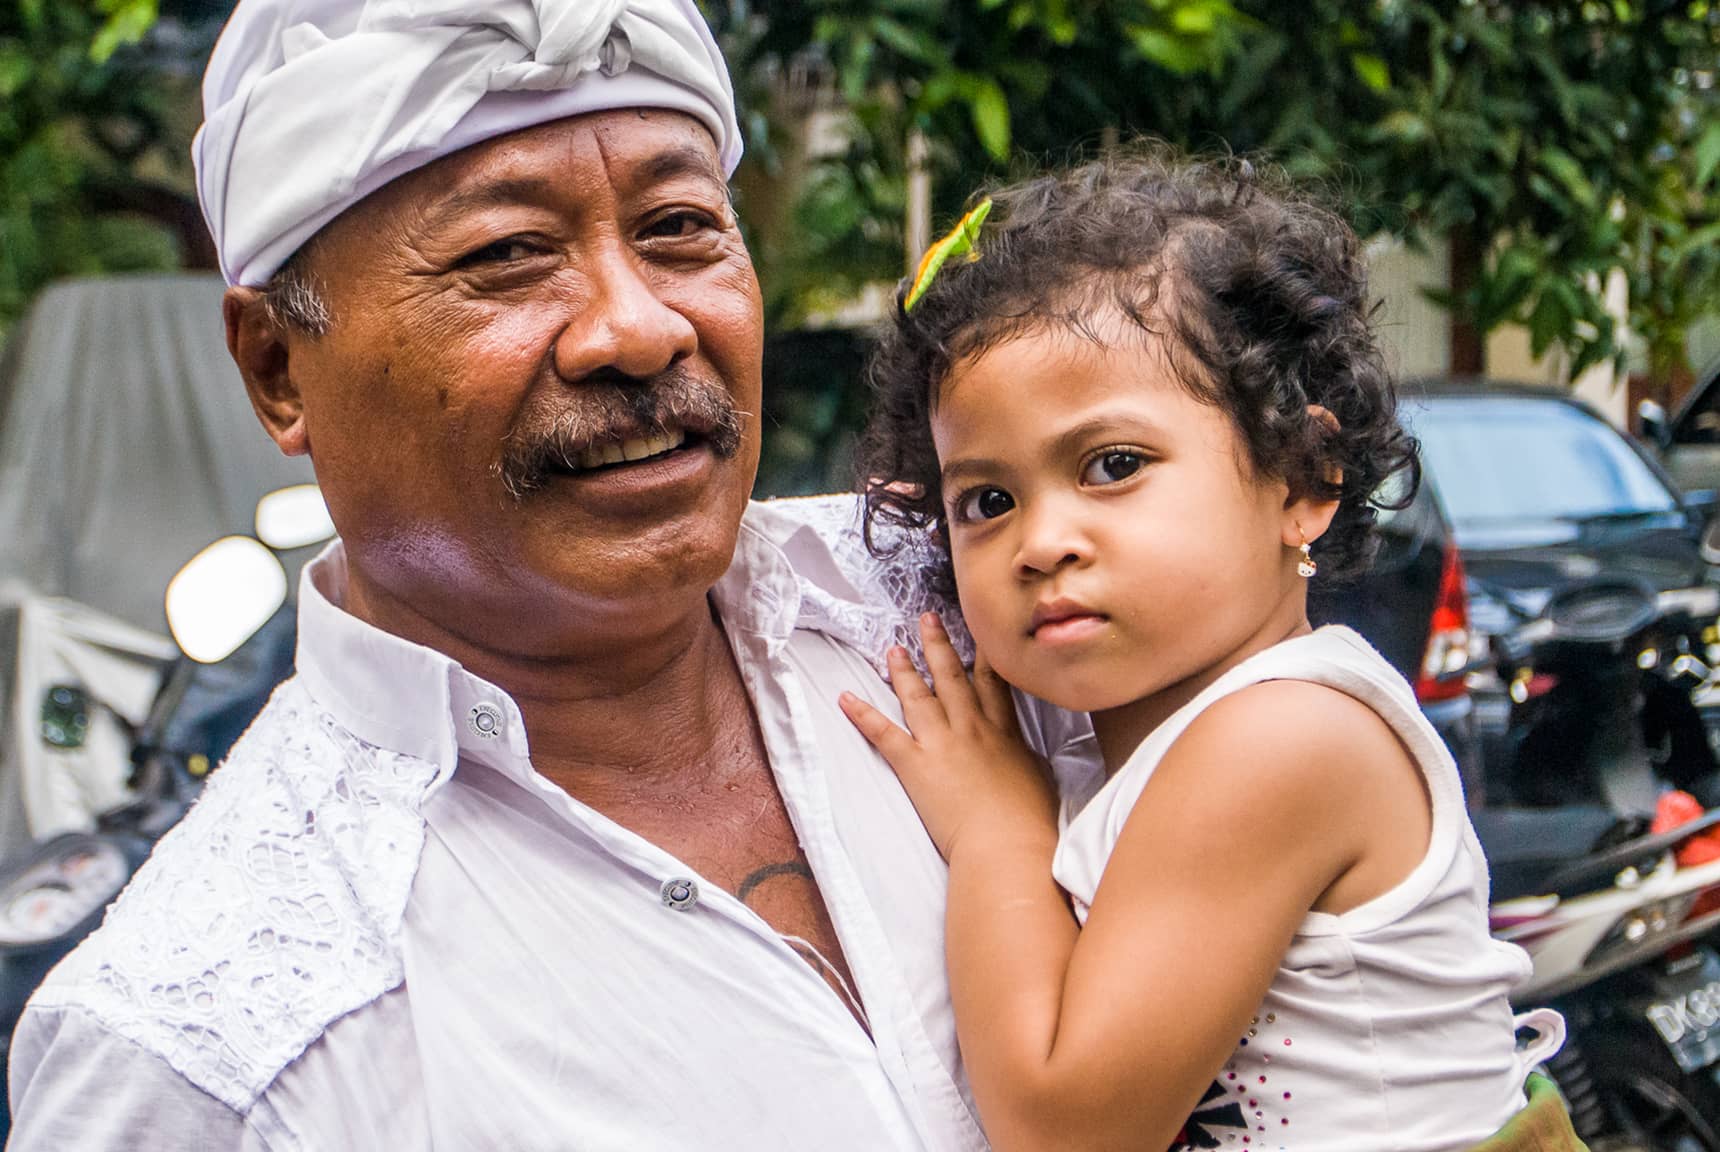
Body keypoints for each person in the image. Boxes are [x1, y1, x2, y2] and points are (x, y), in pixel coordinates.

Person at [4, 2, 1020, 1148]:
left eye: (679, 227)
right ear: (277, 368)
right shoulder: (210, 1057)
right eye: (505, 255)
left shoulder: (985, 595)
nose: (637, 330)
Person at [838, 150, 1580, 1152]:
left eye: (1111, 465)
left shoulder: (1281, 739)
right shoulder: (1159, 742)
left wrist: (993, 829)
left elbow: (1062, 1127)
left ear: (1301, 478)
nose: (1041, 540)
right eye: (987, 500)